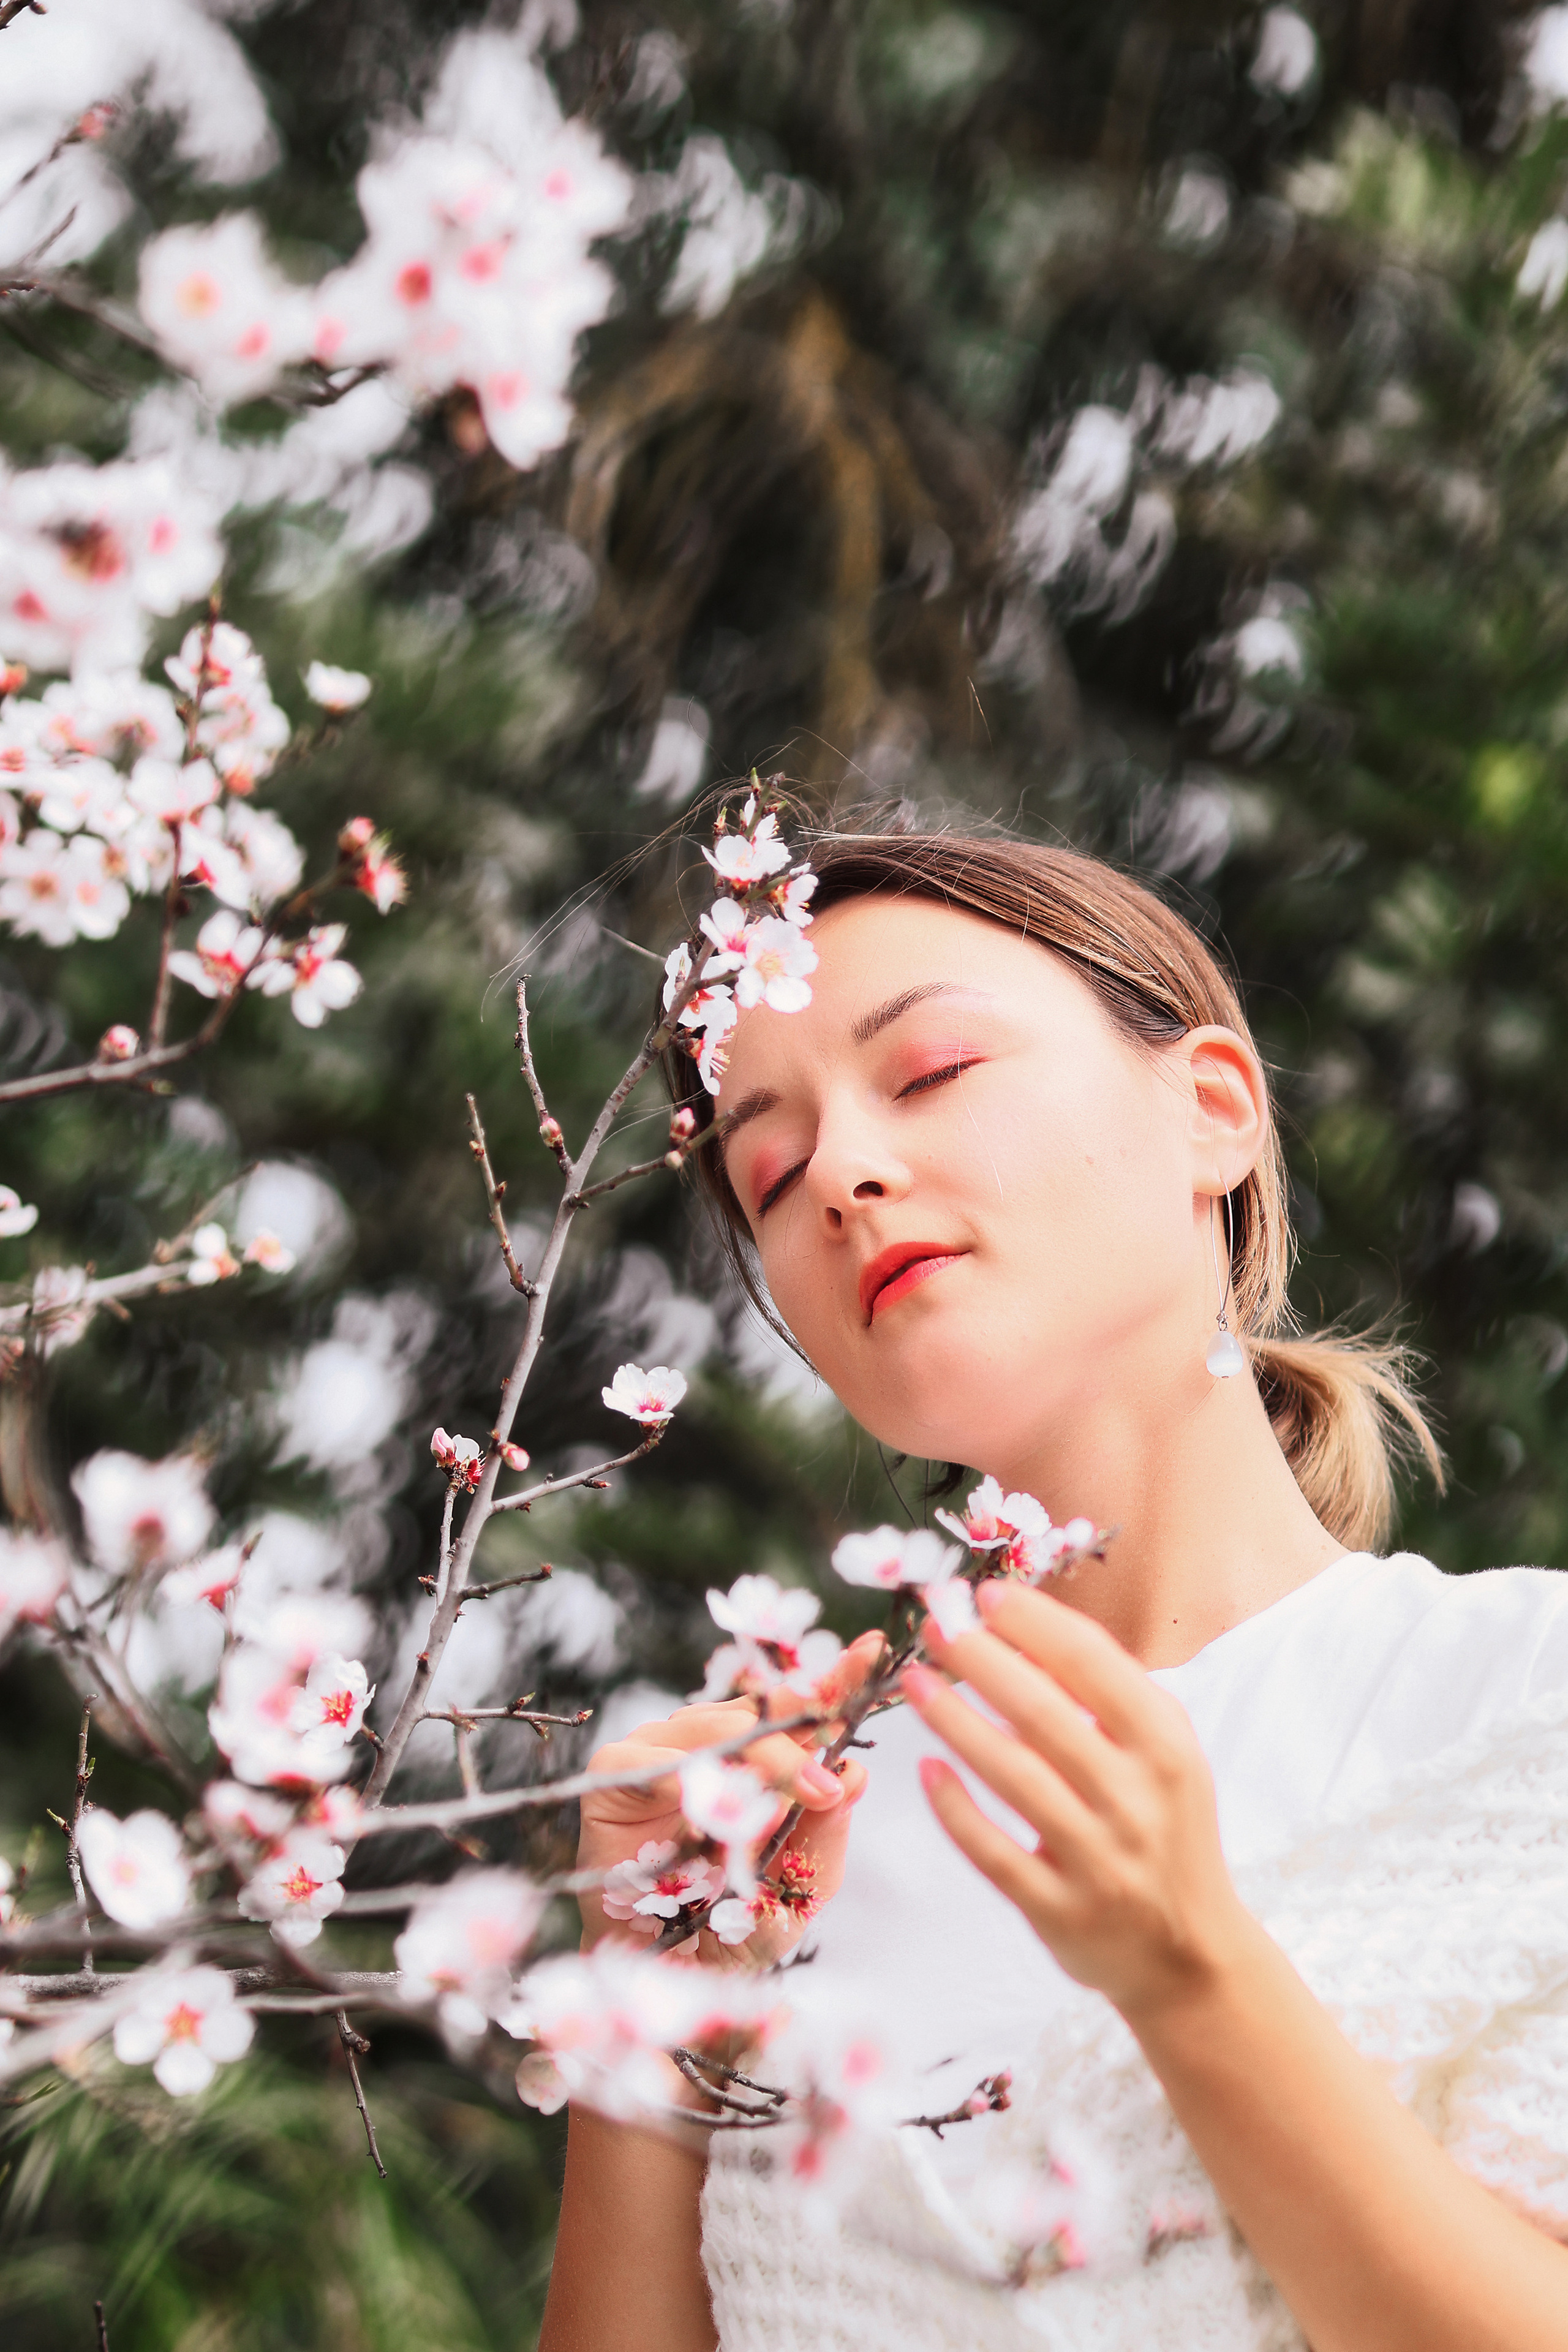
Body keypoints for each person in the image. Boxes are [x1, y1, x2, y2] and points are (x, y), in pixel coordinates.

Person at [540, 831, 1568, 2352]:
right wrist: (648, 2009)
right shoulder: (767, 1842)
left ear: (1210, 1109)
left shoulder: (1518, 1708)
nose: (840, 1173)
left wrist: (1188, 1972)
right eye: (770, 1169)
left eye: (933, 1068)